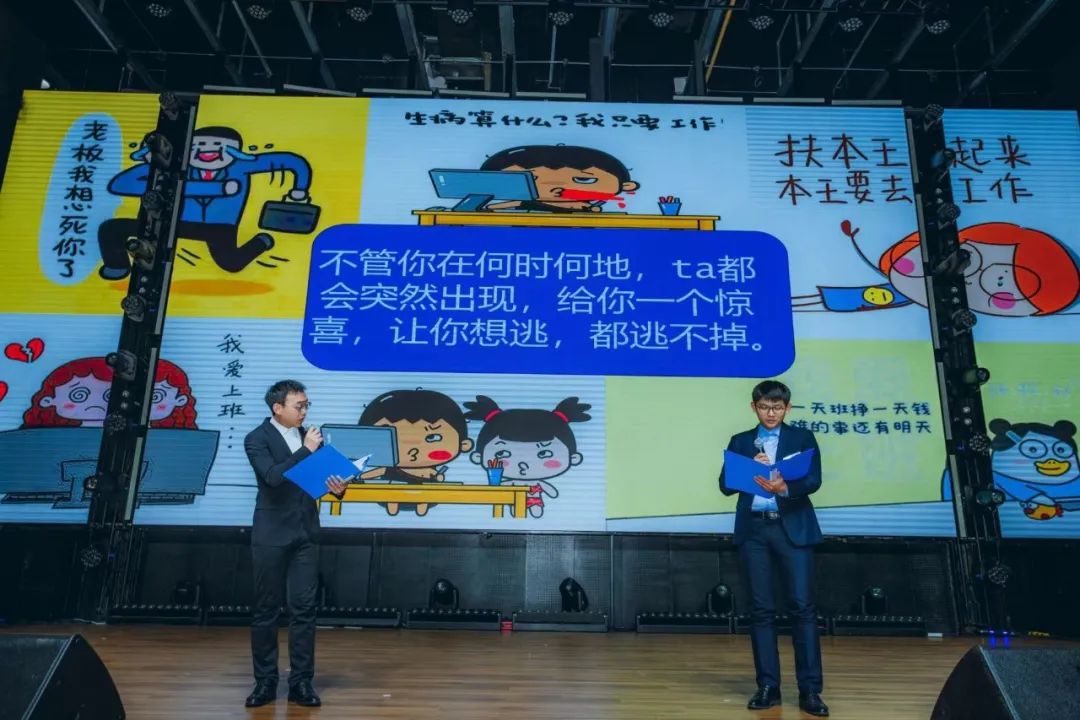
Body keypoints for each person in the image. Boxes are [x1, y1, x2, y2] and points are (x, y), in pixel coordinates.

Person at [718, 380, 829, 717]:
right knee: (761, 611)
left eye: (777, 407)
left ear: (787, 408)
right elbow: (724, 485)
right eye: (765, 407)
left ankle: (810, 690)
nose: (771, 413)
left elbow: (813, 480)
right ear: (754, 407)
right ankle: (768, 686)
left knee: (802, 608)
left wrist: (784, 487)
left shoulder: (802, 438)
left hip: (792, 528)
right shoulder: (741, 441)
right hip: (754, 531)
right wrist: (749, 470)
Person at [243, 380, 347, 708]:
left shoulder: (309, 437)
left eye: (306, 405)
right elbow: (273, 478)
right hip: (271, 534)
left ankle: (301, 682)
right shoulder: (257, 438)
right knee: (266, 609)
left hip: (306, 533)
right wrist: (307, 451)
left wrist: (337, 487)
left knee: (304, 609)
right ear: (277, 408)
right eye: (298, 406)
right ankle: (265, 682)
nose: (304, 411)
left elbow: (317, 481)